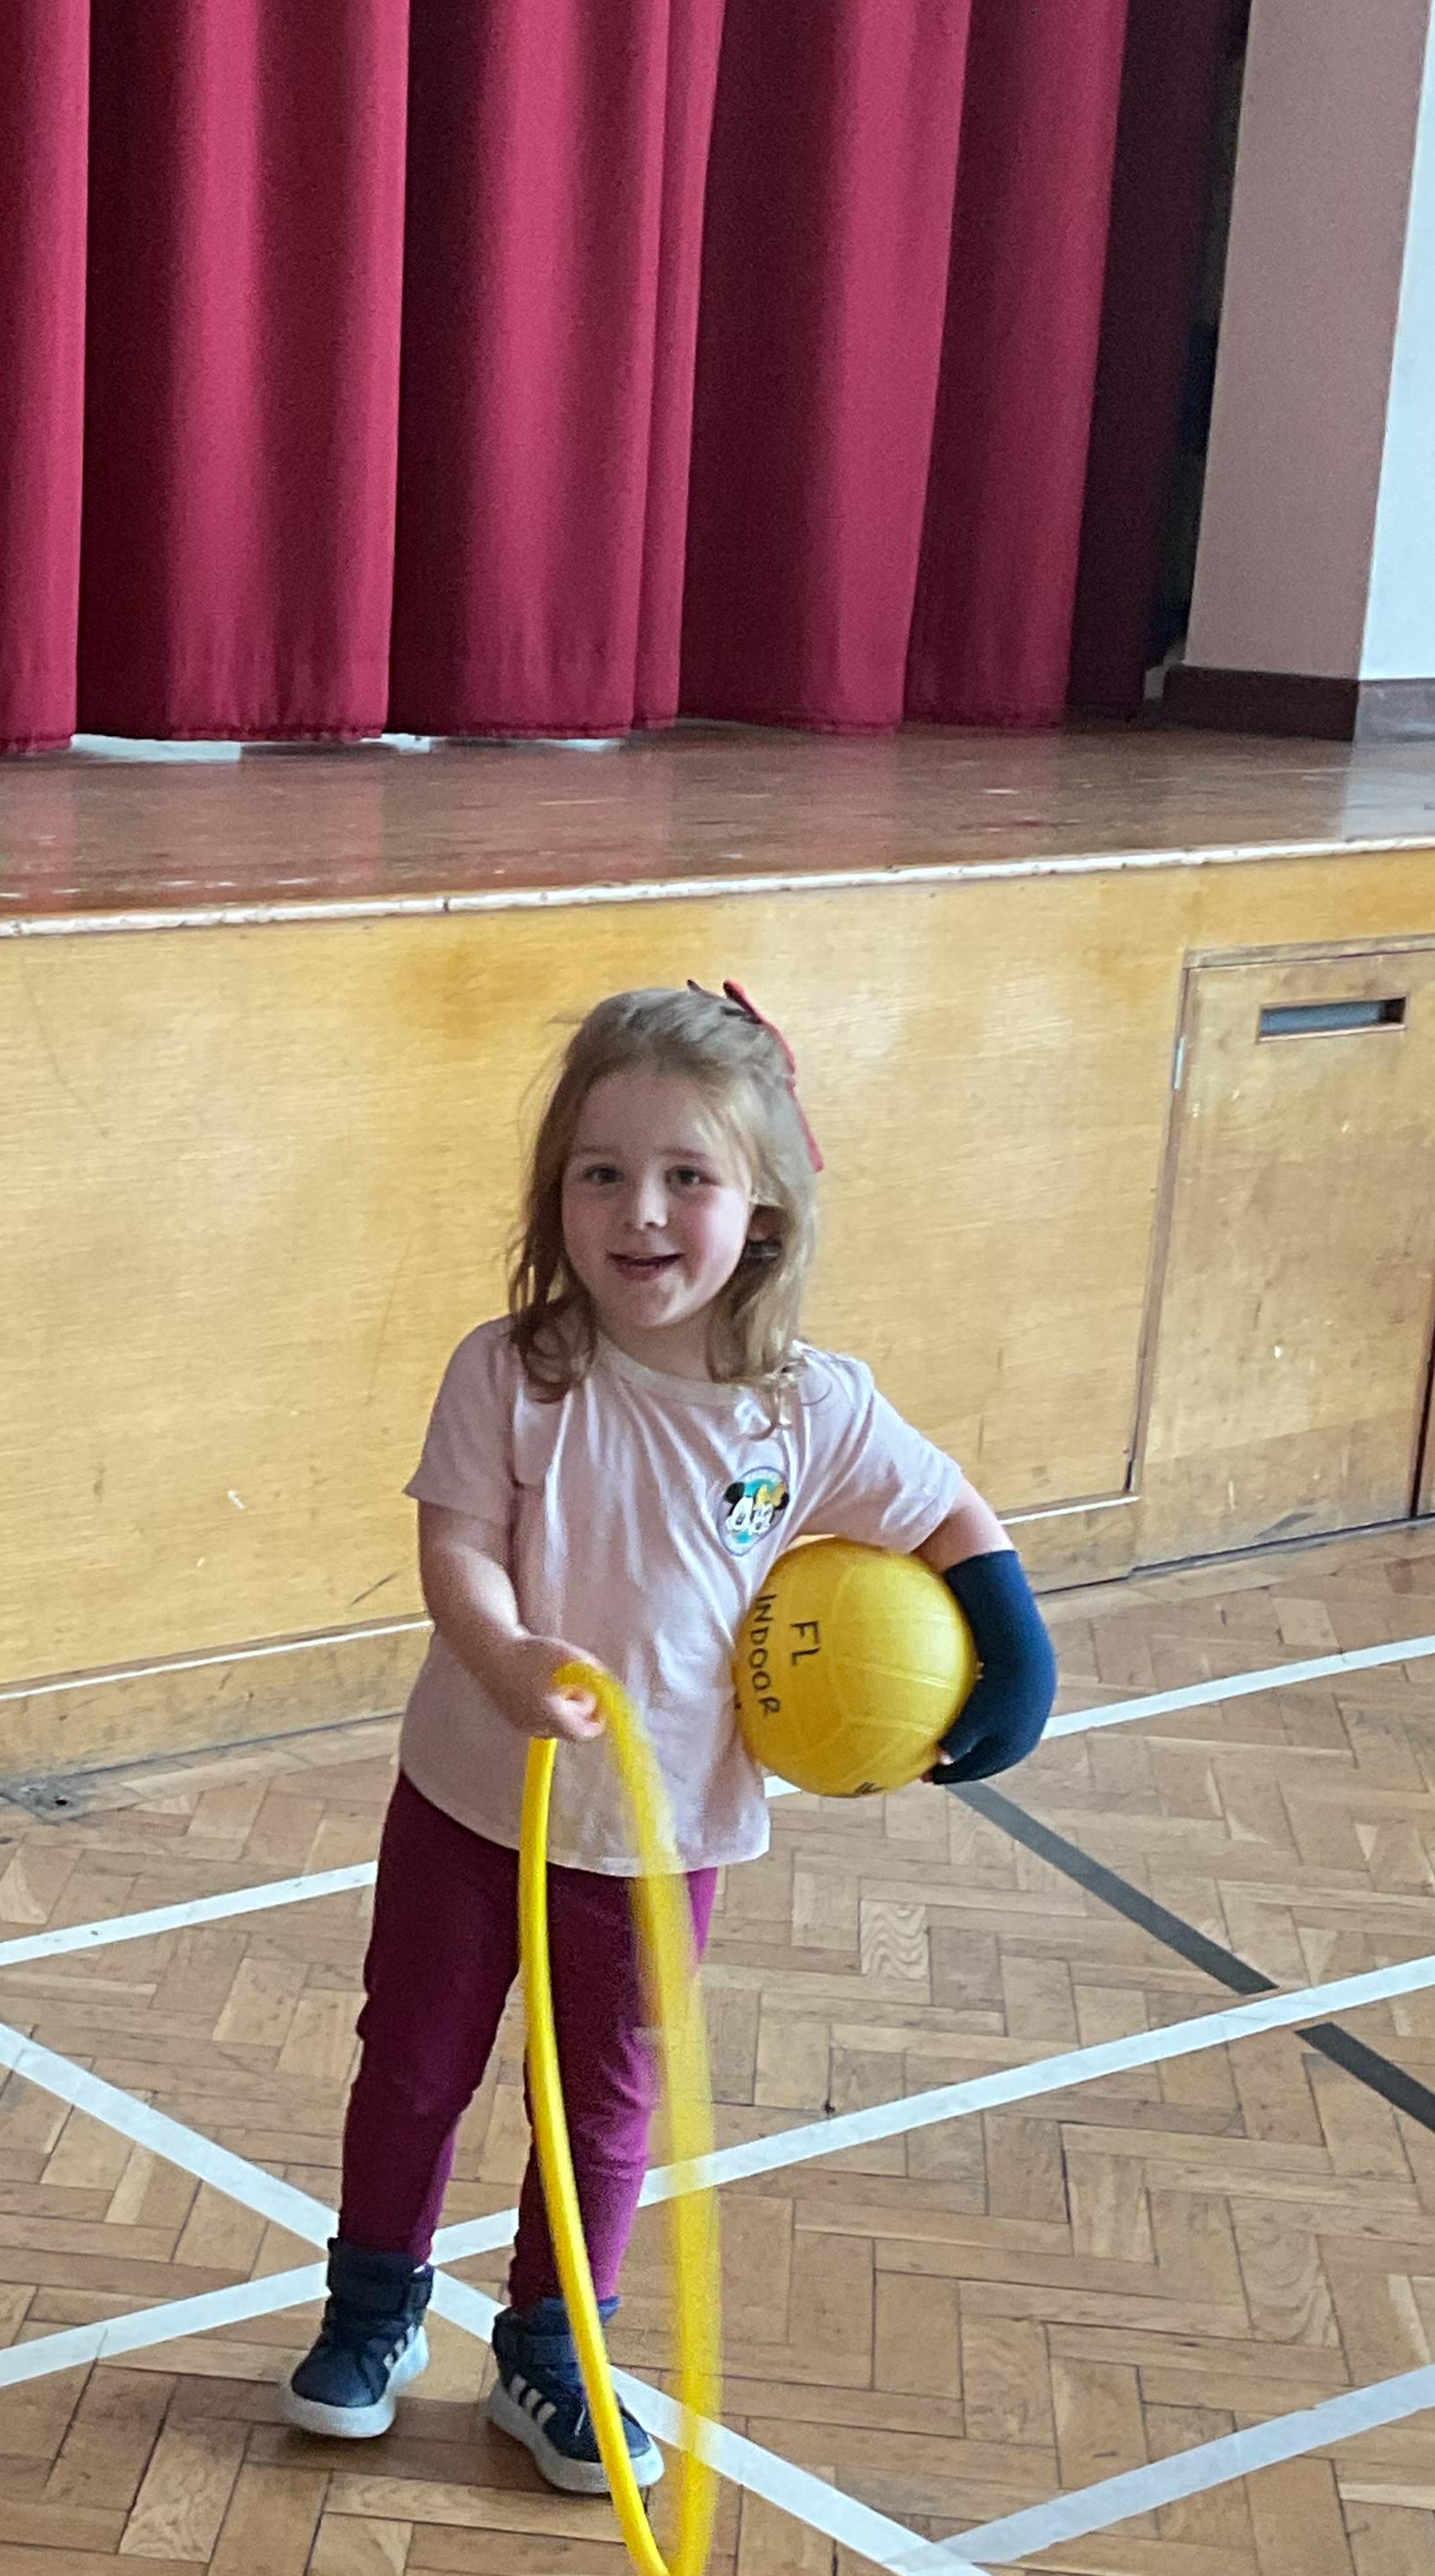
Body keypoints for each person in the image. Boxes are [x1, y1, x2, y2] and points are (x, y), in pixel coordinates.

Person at [287, 981, 1055, 2489]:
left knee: (602, 2100)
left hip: (658, 1834)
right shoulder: (511, 1371)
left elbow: (949, 1511)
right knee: (415, 2064)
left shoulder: (809, 1410)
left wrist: (1013, 1660)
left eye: (685, 1176)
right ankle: (371, 2309)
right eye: (603, 1173)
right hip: (467, 1804)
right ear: (556, 1193)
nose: (640, 1213)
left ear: (761, 1206)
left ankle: (554, 2348)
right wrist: (503, 1653)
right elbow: (458, 1548)